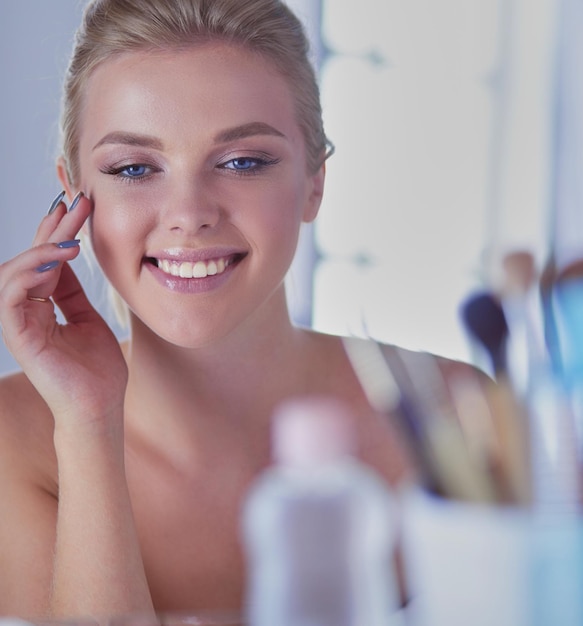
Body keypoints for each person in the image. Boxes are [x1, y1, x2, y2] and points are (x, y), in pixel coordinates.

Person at [0, 0, 481, 622]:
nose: (189, 212)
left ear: (314, 181)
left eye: (242, 162)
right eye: (134, 168)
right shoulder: (13, 442)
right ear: (74, 195)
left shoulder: (460, 417)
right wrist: (88, 425)